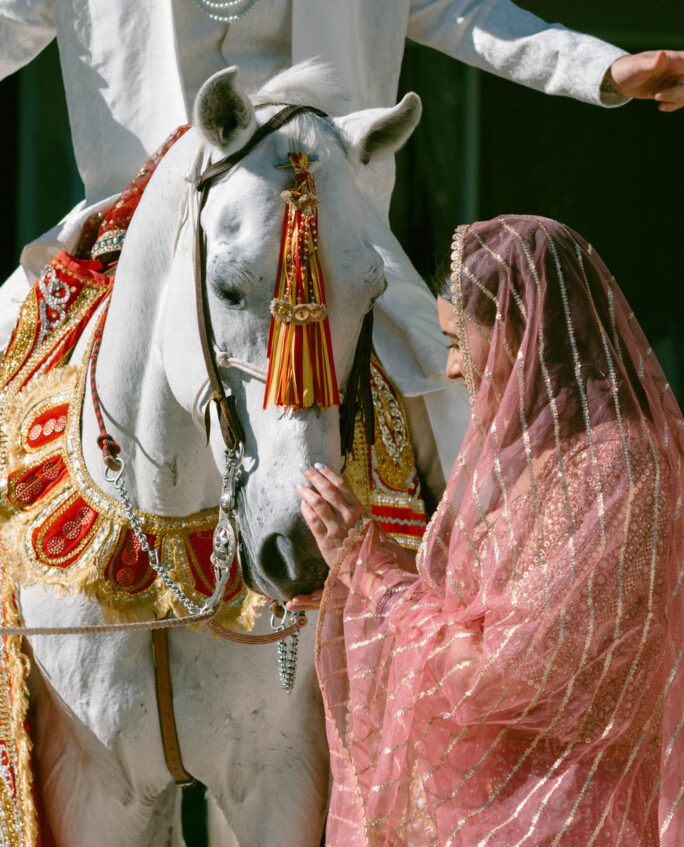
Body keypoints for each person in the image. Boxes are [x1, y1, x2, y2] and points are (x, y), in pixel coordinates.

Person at [1, 2, 684, 496]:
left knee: (464, 433)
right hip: (137, 234)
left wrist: (607, 68)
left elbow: (468, 13)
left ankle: (469, 650)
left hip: (325, 232)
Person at [289, 215, 684, 847]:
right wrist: (353, 587)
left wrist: (367, 568)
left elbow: (501, 669)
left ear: (522, 331)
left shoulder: (620, 467)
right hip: (500, 844)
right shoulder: (526, 458)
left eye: (461, 340)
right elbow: (467, 618)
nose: (453, 366)